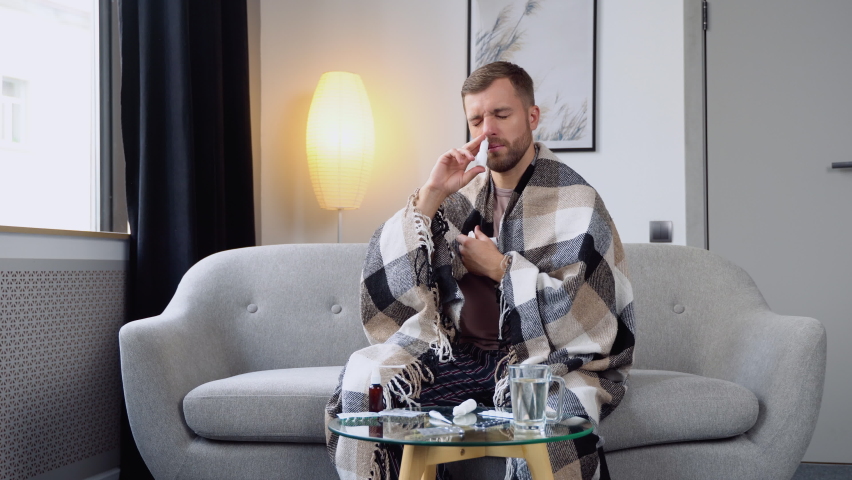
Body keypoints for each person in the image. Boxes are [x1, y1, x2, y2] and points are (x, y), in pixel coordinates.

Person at [326, 61, 635, 480]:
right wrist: (432, 193)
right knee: (368, 382)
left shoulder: (577, 199)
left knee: (557, 419)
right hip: (461, 358)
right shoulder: (460, 194)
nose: (487, 129)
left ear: (532, 116)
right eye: (476, 119)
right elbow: (389, 278)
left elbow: (586, 316)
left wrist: (503, 269)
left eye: (501, 115)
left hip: (540, 362)